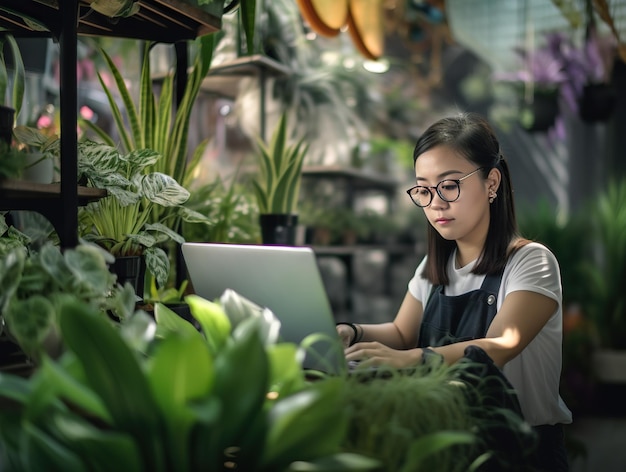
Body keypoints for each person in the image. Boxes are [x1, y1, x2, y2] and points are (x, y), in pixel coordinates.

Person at [337, 113, 572, 471]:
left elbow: (500, 346)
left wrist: (411, 359)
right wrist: (351, 332)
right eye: (423, 189)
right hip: (449, 437)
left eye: (449, 185)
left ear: (491, 182)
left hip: (521, 448)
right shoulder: (434, 266)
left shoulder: (531, 262)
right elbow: (402, 332)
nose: (435, 203)